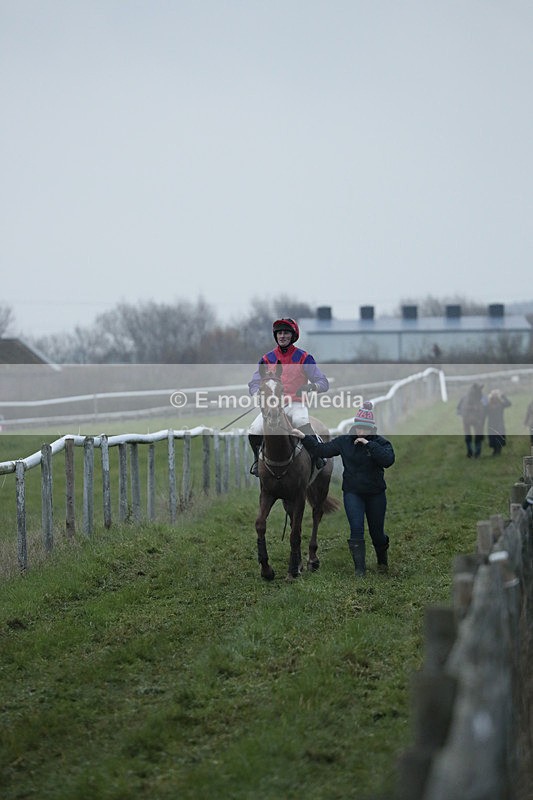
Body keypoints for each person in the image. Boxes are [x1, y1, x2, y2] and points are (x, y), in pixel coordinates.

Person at [294, 401, 395, 577]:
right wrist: (303, 437)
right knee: (356, 528)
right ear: (354, 426)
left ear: (371, 429)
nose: (361, 431)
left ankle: (382, 561)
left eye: (365, 428)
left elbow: (388, 460)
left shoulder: (380, 443)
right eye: (359, 428)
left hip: (376, 494)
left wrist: (368, 444)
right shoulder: (344, 442)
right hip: (353, 493)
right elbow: (321, 450)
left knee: (377, 533)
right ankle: (360, 570)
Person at [247, 317, 329, 476]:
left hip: (296, 404)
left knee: (300, 422)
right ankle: (257, 461)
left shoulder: (304, 357)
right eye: (279, 333)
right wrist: (257, 392)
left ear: (293, 336)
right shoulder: (266, 359)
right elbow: (254, 382)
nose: (282, 336)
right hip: (273, 405)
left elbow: (323, 382)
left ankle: (316, 456)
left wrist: (310, 386)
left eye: (286, 333)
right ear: (275, 336)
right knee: (254, 429)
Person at [486, 389, 511, 456]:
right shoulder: (488, 405)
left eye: (495, 397)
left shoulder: (501, 404)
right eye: (493, 397)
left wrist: (503, 396)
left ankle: (498, 451)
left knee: (499, 437)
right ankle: (495, 451)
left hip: (499, 423)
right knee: (492, 438)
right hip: (491, 424)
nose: (494, 399)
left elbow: (509, 403)